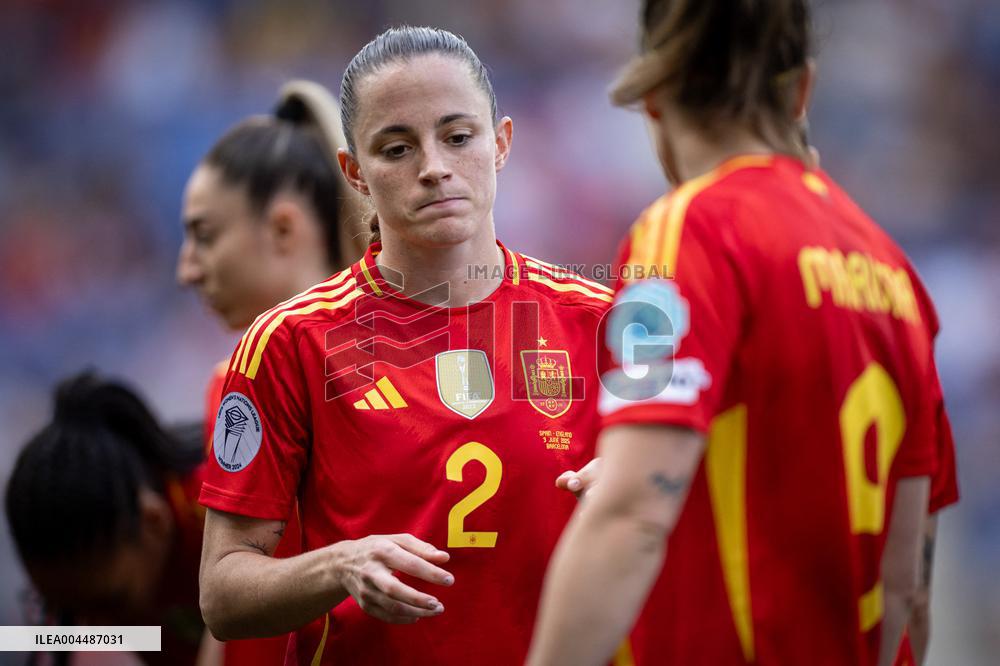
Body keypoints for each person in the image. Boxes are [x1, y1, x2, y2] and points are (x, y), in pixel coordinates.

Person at [528, 2, 956, 666]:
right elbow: (909, 588)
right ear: (802, 90)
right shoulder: (895, 274)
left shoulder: (687, 232)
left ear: (654, 96)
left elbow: (636, 511)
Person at [196, 26, 610, 665]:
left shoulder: (600, 323)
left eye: (457, 136)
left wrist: (646, 495)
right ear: (354, 173)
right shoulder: (289, 343)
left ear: (500, 144)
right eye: (396, 148)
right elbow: (221, 597)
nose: (434, 167)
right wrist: (340, 564)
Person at [177, 80, 367, 665]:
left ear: (284, 228)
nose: (187, 269)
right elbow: (223, 614)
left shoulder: (404, 381)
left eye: (204, 236)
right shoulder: (230, 385)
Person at [6, 372, 208, 665]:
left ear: (154, 522)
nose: (92, 630)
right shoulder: (89, 590)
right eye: (66, 610)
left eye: (109, 603)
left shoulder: (225, 512)